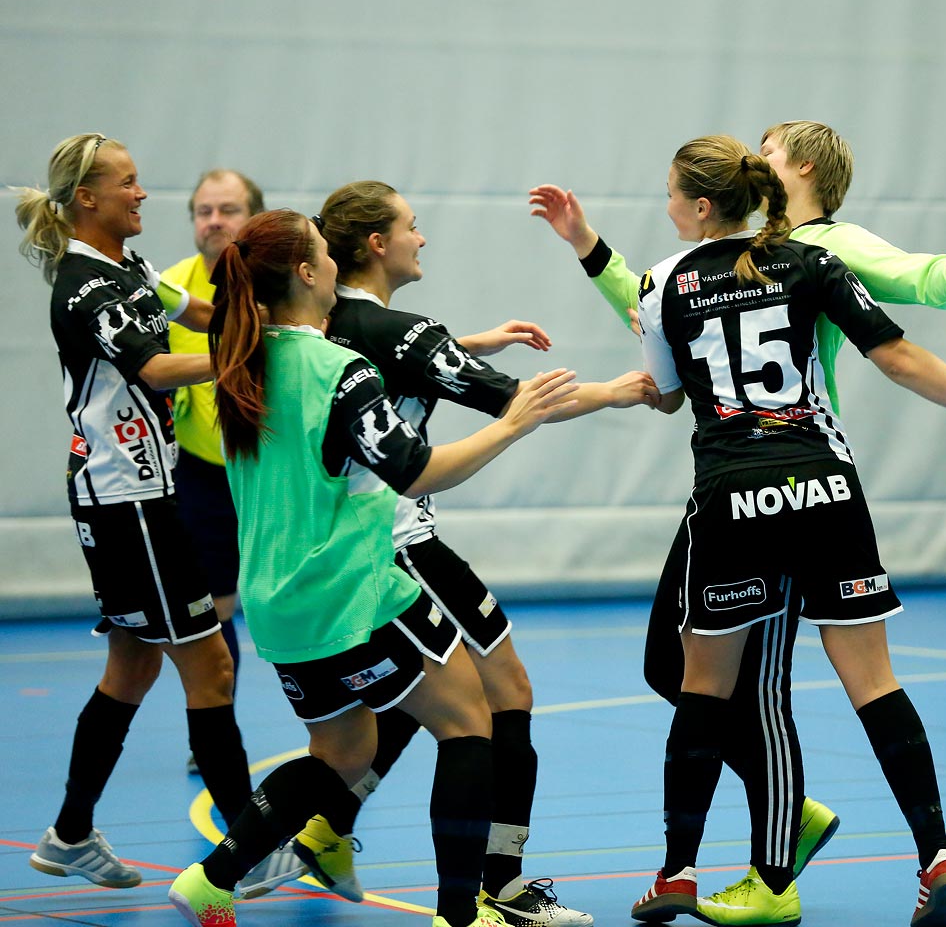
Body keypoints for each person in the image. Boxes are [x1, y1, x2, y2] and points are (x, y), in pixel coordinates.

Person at [529, 120, 946, 924]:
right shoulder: (809, 261)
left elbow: (663, 377)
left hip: (734, 492)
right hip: (825, 487)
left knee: (711, 687)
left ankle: (703, 869)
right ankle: (935, 852)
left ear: (697, 205)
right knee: (869, 682)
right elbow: (894, 352)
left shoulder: (698, 274)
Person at [165, 209, 579, 927]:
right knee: (468, 722)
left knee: (343, 751)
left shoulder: (243, 364)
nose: (333, 263)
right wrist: (511, 424)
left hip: (278, 605)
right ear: (306, 272)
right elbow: (416, 471)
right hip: (356, 591)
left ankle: (213, 878)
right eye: (324, 252)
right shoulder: (338, 370)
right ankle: (461, 913)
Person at [277, 179, 655, 926]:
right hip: (403, 543)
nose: (424, 239)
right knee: (503, 696)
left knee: (434, 697)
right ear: (378, 244)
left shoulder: (324, 323)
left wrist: (465, 341)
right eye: (413, 228)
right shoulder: (405, 333)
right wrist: (614, 391)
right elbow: (513, 399)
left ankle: (327, 831)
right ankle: (499, 886)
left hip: (339, 548)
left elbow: (395, 355)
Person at [13, 133, 253, 890]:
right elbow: (153, 366)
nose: (142, 193)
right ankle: (251, 846)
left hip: (142, 494)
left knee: (132, 666)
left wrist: (285, 328)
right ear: (88, 198)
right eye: (129, 183)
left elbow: (200, 308)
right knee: (210, 663)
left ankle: (70, 835)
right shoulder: (86, 286)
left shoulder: (129, 267)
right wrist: (252, 360)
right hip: (129, 502)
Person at [163, 169, 265, 774]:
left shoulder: (277, 282)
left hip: (275, 467)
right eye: (204, 210)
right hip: (204, 472)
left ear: (253, 217)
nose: (214, 221)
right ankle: (214, 737)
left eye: (228, 210)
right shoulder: (173, 288)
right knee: (214, 608)